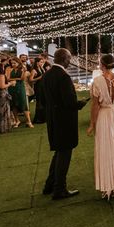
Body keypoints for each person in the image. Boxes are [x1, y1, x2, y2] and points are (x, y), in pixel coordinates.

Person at [42, 48, 86, 200]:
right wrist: (79, 104)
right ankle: (59, 189)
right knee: (65, 153)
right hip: (64, 120)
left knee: (59, 152)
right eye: (69, 58)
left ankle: (49, 185)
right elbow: (69, 102)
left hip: (53, 118)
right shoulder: (63, 76)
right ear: (64, 59)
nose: (70, 61)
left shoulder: (47, 74)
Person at [87, 54, 114, 199]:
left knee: (105, 149)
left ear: (102, 65)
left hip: (104, 115)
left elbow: (95, 106)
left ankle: (107, 187)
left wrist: (92, 124)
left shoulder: (97, 82)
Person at [7, 57, 33, 128]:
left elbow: (22, 78)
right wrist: (16, 79)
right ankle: (17, 120)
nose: (13, 64)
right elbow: (8, 78)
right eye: (12, 63)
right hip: (11, 88)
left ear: (18, 62)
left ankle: (28, 121)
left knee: (23, 103)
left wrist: (15, 79)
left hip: (20, 87)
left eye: (14, 63)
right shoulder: (10, 69)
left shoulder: (22, 69)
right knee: (13, 104)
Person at [30, 57, 47, 124]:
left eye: (42, 62)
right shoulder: (34, 70)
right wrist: (39, 78)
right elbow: (31, 80)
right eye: (41, 62)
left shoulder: (42, 68)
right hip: (38, 87)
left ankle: (44, 117)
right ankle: (38, 119)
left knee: (44, 101)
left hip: (43, 86)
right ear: (37, 63)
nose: (42, 63)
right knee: (39, 102)